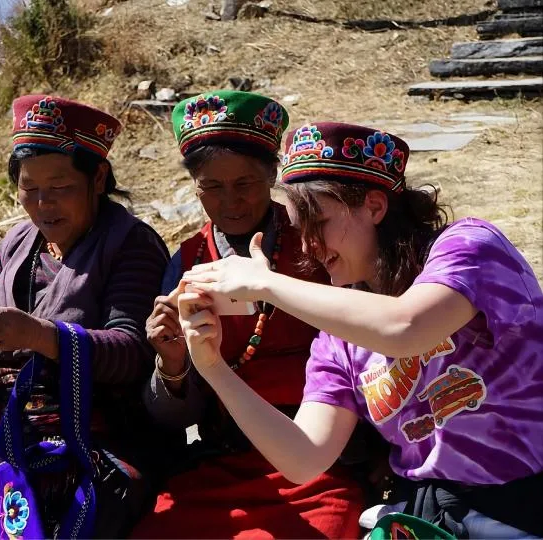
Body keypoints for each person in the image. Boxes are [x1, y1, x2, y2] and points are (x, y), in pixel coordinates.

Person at [178, 121, 543, 538]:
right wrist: (212, 369)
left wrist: (267, 284)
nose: (309, 246)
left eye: (319, 224)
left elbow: (407, 326)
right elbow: (303, 457)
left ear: (374, 206)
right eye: (300, 230)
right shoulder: (338, 335)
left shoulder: (471, 247)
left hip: (520, 502)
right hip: (423, 514)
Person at [0, 95, 170, 537]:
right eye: (29, 188)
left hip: (103, 446)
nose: (42, 203)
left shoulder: (130, 244)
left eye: (59, 187)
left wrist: (41, 335)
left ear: (97, 178)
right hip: (14, 443)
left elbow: (134, 350)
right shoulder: (18, 243)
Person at [131, 92, 366, 539]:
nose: (230, 202)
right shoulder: (188, 262)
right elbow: (172, 415)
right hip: (225, 458)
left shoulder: (316, 244)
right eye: (212, 188)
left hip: (319, 456)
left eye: (246, 183)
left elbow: (365, 341)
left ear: (273, 175)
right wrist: (173, 363)